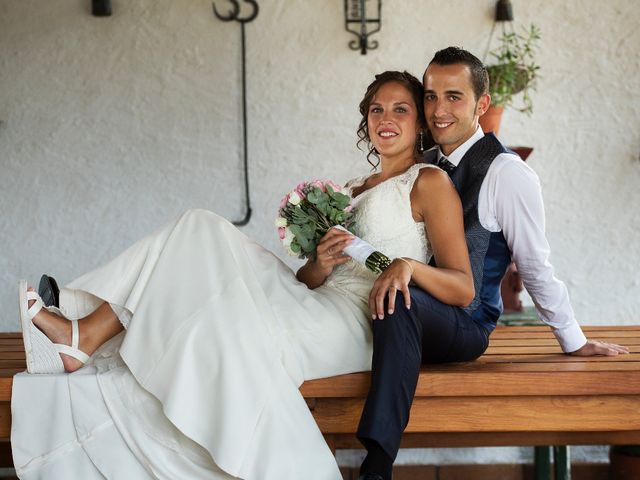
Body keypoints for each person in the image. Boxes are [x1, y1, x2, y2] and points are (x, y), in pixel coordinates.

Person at [15, 71, 474, 480]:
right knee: (199, 226)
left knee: (215, 309)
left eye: (400, 108)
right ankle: (84, 334)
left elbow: (462, 285)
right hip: (318, 299)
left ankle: (83, 333)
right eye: (376, 109)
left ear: (419, 123)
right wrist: (321, 262)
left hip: (362, 322)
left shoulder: (427, 182)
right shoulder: (350, 189)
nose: (385, 117)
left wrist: (407, 266)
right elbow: (309, 280)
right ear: (365, 121)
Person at [355, 47, 630, 480]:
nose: (438, 109)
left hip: (467, 322)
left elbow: (534, 264)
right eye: (430, 96)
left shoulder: (506, 172)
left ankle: (376, 467)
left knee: (399, 302)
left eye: (453, 96)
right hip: (414, 313)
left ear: (482, 104)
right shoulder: (424, 167)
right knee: (390, 301)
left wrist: (572, 338)